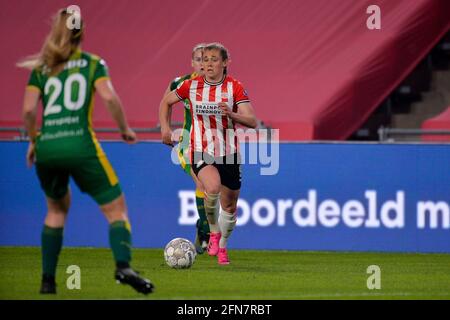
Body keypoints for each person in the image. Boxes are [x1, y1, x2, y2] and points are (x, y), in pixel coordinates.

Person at [18, 8, 154, 294]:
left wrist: (34, 140)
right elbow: (110, 98)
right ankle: (123, 266)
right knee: (116, 209)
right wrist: (124, 129)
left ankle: (47, 281)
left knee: (55, 210)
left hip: (47, 146)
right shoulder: (92, 64)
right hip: (80, 144)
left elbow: (29, 109)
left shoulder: (42, 69)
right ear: (82, 32)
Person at [159, 42, 257, 265]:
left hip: (229, 153)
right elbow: (166, 102)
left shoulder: (235, 87)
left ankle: (222, 246)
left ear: (225, 63)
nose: (208, 63)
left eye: (213, 59)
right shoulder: (190, 86)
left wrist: (232, 114)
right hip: (200, 149)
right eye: (205, 59)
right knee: (210, 187)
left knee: (230, 206)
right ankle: (213, 233)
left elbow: (252, 121)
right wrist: (165, 128)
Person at [161, 43, 210, 254]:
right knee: (201, 181)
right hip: (188, 143)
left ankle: (203, 227)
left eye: (206, 59)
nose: (202, 63)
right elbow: (166, 102)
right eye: (199, 59)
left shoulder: (220, 85)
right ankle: (207, 234)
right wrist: (166, 128)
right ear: (192, 62)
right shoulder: (181, 83)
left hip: (214, 145)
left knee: (217, 193)